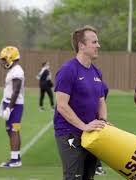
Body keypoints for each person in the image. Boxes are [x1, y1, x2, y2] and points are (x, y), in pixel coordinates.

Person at [54, 25, 109, 179]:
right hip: (69, 135)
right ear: (81, 45)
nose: (98, 45)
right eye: (94, 42)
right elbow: (62, 105)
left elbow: (101, 101)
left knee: (88, 176)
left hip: (91, 135)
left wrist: (103, 121)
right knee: (74, 177)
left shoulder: (96, 72)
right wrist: (83, 126)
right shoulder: (68, 70)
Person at [0, 46, 24, 168]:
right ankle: (16, 157)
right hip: (10, 103)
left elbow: (16, 90)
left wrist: (9, 108)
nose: (3, 61)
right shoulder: (13, 70)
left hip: (14, 105)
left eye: (4, 59)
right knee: (11, 130)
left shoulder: (17, 71)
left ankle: (15, 160)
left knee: (14, 130)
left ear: (10, 58)